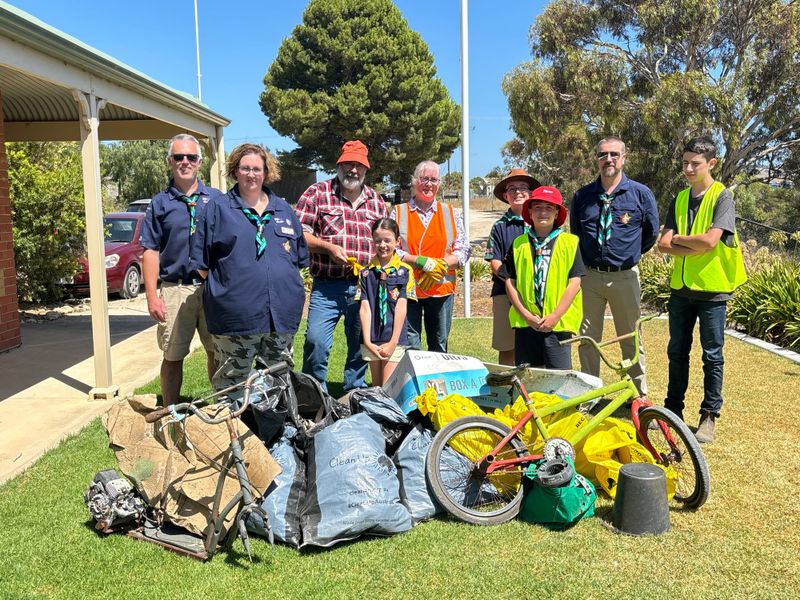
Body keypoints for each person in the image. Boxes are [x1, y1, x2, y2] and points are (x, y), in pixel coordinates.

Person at [190, 144, 308, 392]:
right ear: (235, 171)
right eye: (245, 168)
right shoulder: (217, 209)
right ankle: (232, 431)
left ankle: (273, 432)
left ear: (266, 172)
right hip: (235, 321)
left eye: (257, 169)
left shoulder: (284, 210)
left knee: (279, 388)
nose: (251, 174)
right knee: (231, 390)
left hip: (280, 321)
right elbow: (202, 266)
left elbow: (297, 260)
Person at [657, 136, 747, 444]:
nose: (688, 168)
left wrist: (681, 241)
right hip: (681, 290)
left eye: (695, 163)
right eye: (684, 162)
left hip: (712, 290)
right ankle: (672, 411)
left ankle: (709, 416)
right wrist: (691, 244)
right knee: (676, 353)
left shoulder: (722, 197)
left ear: (712, 163)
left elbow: (711, 242)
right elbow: (663, 245)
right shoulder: (679, 199)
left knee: (712, 355)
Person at [570, 136, 659, 398]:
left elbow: (651, 234)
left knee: (630, 338)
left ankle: (638, 398)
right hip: (590, 278)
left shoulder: (640, 194)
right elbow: (577, 233)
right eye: (602, 155)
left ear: (624, 158)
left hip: (625, 277)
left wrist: (628, 255)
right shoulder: (583, 196)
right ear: (596, 159)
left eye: (614, 154)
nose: (608, 159)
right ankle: (590, 396)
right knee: (587, 340)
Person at [295, 140, 387, 392]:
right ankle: (313, 395)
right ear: (339, 164)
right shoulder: (317, 193)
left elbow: (386, 242)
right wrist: (328, 248)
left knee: (360, 343)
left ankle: (353, 393)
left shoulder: (377, 202)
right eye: (348, 163)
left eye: (359, 165)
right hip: (327, 286)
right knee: (316, 341)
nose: (353, 170)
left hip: (364, 287)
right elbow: (298, 234)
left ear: (366, 169)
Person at [140, 133, 219, 405]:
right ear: (170, 161)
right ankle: (169, 413)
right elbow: (150, 250)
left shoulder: (217, 200)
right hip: (175, 288)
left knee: (217, 351)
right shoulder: (160, 204)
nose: (185, 162)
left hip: (212, 289)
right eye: (178, 157)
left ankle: (223, 410)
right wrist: (152, 296)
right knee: (173, 355)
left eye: (191, 157)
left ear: (199, 162)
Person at [391, 160, 470, 353]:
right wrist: (418, 261)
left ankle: (437, 382)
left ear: (439, 183)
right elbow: (390, 249)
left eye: (434, 179)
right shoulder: (398, 212)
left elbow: (464, 249)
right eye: (424, 179)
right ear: (414, 181)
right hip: (407, 289)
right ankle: (411, 383)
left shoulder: (451, 212)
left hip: (441, 289)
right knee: (409, 346)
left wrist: (440, 264)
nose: (429, 184)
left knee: (439, 344)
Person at [504, 186, 585, 368]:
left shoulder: (570, 243)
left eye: (549, 208)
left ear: (557, 213)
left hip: (558, 324)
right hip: (527, 324)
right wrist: (525, 315)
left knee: (559, 379)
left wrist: (555, 315)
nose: (543, 212)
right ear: (530, 212)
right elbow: (510, 281)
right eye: (538, 207)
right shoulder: (519, 244)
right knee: (528, 377)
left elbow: (575, 282)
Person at [485, 169, 541, 365]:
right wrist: (514, 284)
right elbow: (495, 261)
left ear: (532, 193)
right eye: (512, 189)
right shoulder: (500, 227)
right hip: (505, 293)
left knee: (537, 343)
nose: (518, 192)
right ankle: (507, 391)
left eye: (523, 188)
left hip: (539, 293)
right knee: (507, 346)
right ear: (505, 196)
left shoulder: (542, 223)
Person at [357, 218, 416, 386]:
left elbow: (401, 307)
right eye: (377, 241)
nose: (382, 245)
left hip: (394, 338)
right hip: (372, 338)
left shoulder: (405, 272)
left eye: (387, 240)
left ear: (397, 241)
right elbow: (365, 308)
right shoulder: (365, 273)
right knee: (376, 387)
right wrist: (368, 341)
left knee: (388, 387)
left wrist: (393, 342)